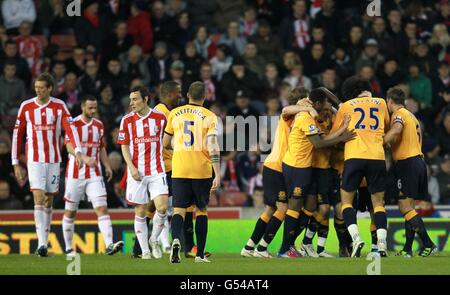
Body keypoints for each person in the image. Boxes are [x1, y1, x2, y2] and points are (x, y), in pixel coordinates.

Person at [240, 87, 318, 258]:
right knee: (282, 208)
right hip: (276, 166)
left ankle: (250, 246)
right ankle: (262, 248)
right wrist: (308, 108)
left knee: (271, 209)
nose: (310, 102)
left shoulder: (300, 118)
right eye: (307, 99)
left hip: (278, 166)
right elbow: (285, 109)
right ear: (301, 101)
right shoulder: (292, 115)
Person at [12, 73, 83, 257]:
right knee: (38, 196)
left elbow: (70, 129)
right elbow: (17, 136)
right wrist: (15, 163)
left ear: (50, 88)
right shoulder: (26, 106)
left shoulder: (59, 106)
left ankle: (44, 240)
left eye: (42, 87)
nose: (38, 90)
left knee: (48, 200)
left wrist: (79, 151)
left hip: (53, 159)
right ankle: (42, 244)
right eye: (36, 87)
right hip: (34, 159)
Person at [278, 88, 355, 258]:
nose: (329, 110)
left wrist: (341, 127)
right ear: (317, 104)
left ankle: (299, 244)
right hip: (296, 166)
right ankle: (285, 248)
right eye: (326, 106)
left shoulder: (313, 116)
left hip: (306, 167)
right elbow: (319, 143)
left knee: (312, 206)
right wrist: (342, 135)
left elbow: (323, 138)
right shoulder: (305, 117)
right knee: (295, 207)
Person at [331, 76, 390, 257]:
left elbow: (334, 135)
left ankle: (356, 238)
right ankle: (381, 243)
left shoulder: (346, 106)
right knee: (378, 203)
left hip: (354, 156)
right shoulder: (380, 103)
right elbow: (385, 126)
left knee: (346, 202)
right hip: (377, 157)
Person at [163, 81, 220, 263]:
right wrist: (217, 173)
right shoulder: (210, 116)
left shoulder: (174, 114)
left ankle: (177, 241)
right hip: (201, 170)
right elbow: (213, 147)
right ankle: (200, 254)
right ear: (205, 96)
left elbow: (165, 143)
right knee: (201, 210)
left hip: (179, 169)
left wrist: (178, 148)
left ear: (188, 94)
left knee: (179, 210)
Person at [62, 95, 124, 257]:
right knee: (70, 211)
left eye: (95, 107)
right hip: (75, 174)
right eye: (90, 107)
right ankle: (69, 248)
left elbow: (101, 147)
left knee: (102, 208)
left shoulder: (99, 125)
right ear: (82, 107)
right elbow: (68, 145)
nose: (93, 110)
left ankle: (109, 244)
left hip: (94, 174)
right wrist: (83, 158)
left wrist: (107, 165)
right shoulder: (73, 124)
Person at [383, 87, 437, 257]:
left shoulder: (398, 114)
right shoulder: (412, 116)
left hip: (408, 163)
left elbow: (397, 130)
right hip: (418, 162)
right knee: (410, 207)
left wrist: (382, 141)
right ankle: (407, 249)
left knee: (404, 206)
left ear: (390, 101)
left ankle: (428, 243)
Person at [117, 86, 169, 260]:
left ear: (146, 99)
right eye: (131, 100)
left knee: (162, 207)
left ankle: (154, 239)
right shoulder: (126, 120)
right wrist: (131, 167)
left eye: (135, 99)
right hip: (137, 171)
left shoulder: (160, 118)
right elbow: (124, 146)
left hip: (157, 169)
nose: (132, 103)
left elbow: (169, 140)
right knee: (140, 210)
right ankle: (145, 250)